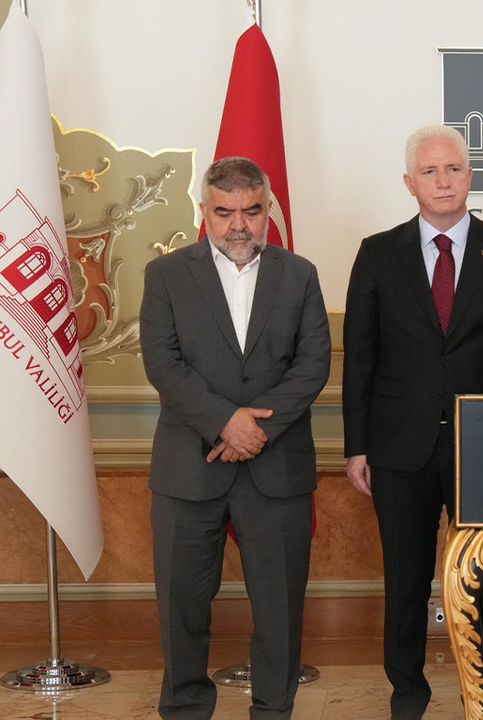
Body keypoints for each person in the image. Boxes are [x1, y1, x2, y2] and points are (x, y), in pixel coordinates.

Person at [343, 125, 483, 719]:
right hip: (397, 447)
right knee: (404, 580)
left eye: (453, 168)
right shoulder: (377, 253)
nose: (443, 180)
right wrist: (357, 446)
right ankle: (407, 694)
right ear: (410, 183)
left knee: (482, 578)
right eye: (429, 171)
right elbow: (360, 358)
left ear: (470, 176)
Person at [140, 156, 330, 719]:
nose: (238, 225)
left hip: (277, 468)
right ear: (205, 211)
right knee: (182, 609)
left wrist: (257, 429)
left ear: (268, 210)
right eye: (225, 212)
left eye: (251, 211)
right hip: (188, 468)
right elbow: (163, 363)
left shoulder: (300, 274)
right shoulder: (166, 274)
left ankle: (273, 711)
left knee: (279, 610)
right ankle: (185, 710)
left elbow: (313, 364)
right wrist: (226, 421)